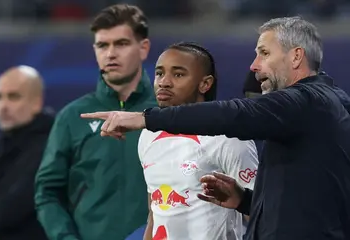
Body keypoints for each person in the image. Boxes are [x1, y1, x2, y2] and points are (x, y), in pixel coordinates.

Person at [81, 16, 350, 240]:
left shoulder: (308, 101)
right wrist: (243, 200)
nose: (254, 66)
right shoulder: (324, 106)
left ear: (296, 57)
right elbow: (303, 204)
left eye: (264, 53)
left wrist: (145, 118)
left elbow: (236, 114)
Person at [35, 4, 157, 240]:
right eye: (103, 45)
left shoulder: (166, 113)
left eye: (121, 44)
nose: (110, 53)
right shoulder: (72, 117)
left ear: (143, 48)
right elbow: (47, 192)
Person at [139, 42, 258, 240]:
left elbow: (259, 212)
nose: (164, 82)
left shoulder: (228, 137)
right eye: (159, 73)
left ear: (205, 84)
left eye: (178, 75)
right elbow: (155, 212)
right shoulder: (149, 135)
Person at [0, 66, 50, 240]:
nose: (3, 106)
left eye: (14, 97)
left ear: (36, 102)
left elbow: (8, 211)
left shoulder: (51, 149)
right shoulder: (1, 147)